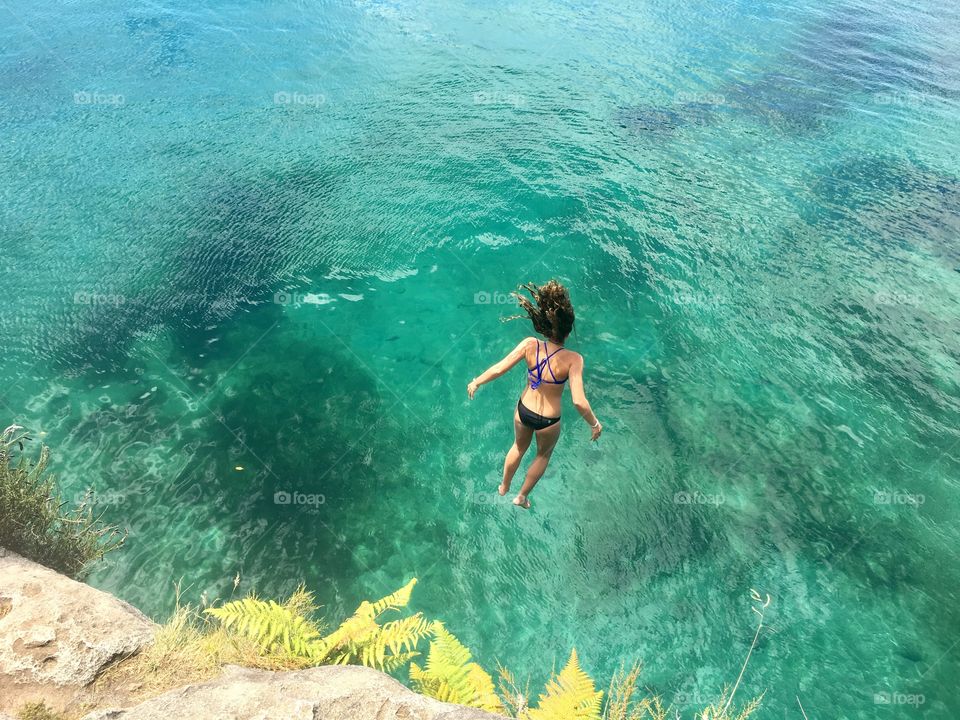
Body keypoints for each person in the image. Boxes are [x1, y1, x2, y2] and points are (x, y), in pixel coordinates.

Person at [467, 280, 602, 509]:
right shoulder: (574, 359)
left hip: (524, 411)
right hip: (548, 421)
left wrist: (476, 381)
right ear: (568, 329)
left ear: (546, 324)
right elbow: (579, 401)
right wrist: (595, 424)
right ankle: (521, 497)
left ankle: (504, 486)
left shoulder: (530, 344)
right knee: (542, 456)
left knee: (518, 447)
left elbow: (499, 368)